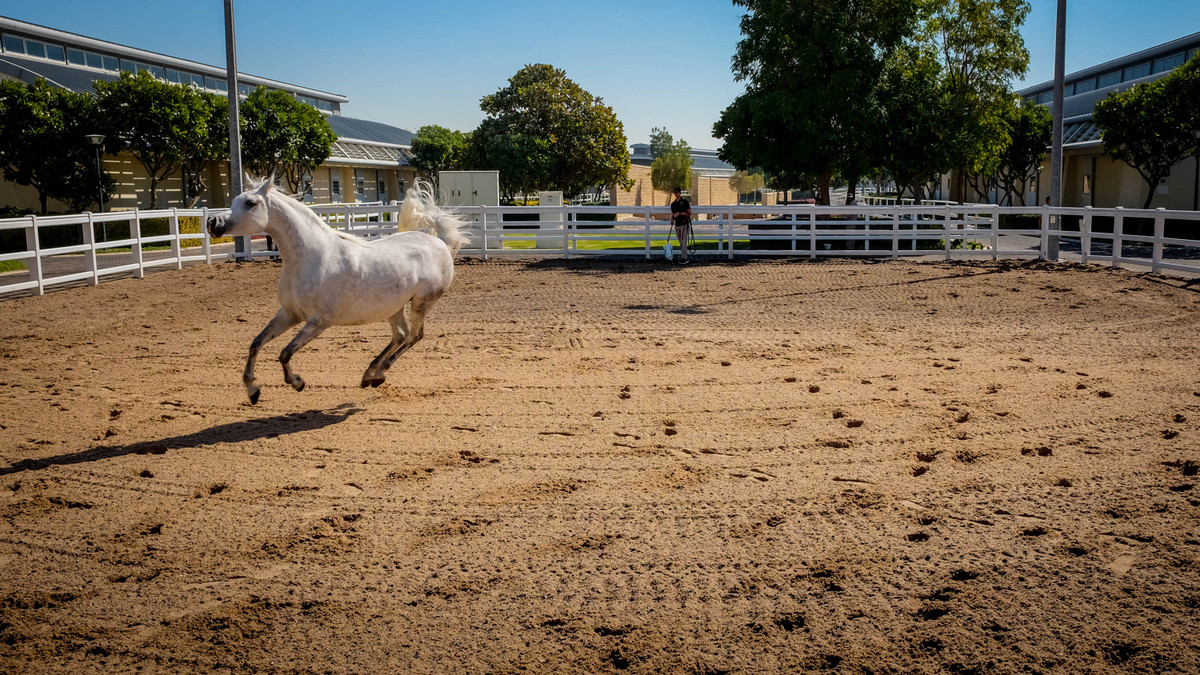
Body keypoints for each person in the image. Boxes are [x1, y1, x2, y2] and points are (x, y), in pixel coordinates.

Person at [670, 187, 692, 264]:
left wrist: (679, 213)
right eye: (675, 193)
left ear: (680, 193)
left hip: (684, 224)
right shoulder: (673, 204)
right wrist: (672, 220)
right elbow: (673, 214)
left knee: (684, 241)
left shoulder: (685, 202)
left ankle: (684, 258)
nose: (676, 194)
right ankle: (683, 256)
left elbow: (689, 212)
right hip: (677, 224)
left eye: (677, 192)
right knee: (681, 242)